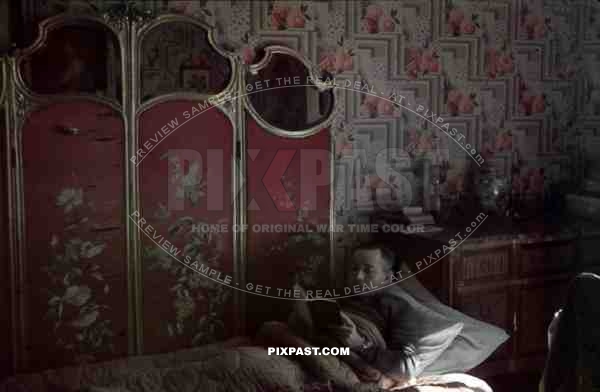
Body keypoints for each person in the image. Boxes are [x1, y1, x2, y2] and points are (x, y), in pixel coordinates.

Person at [256, 241, 419, 390]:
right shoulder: (339, 298)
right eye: (354, 269)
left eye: (368, 270)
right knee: (270, 328)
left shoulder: (400, 309)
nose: (358, 277)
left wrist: (360, 344)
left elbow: (407, 367)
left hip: (348, 360)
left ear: (387, 277)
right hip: (316, 348)